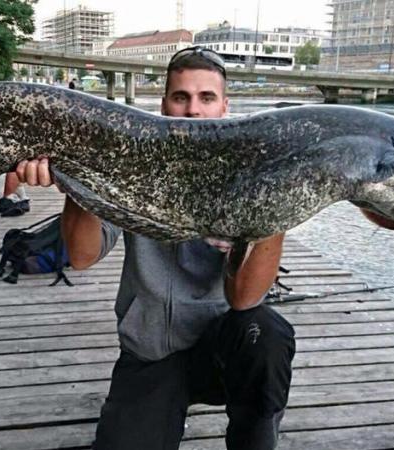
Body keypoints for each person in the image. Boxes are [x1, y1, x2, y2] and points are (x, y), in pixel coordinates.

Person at [15, 47, 295, 449]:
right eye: (181, 97)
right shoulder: (128, 158)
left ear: (224, 107)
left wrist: (277, 208)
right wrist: (76, 177)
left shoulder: (251, 171)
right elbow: (81, 256)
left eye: (206, 98)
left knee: (267, 335)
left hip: (222, 346)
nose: (193, 111)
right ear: (163, 104)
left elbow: (245, 297)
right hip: (151, 354)